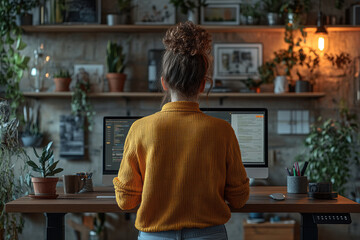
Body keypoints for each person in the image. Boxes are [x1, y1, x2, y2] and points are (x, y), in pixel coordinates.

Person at [113, 21, 250, 240]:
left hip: (155, 236)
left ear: (164, 83)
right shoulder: (223, 131)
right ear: (203, 85)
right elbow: (239, 199)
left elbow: (125, 201)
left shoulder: (140, 128)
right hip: (209, 235)